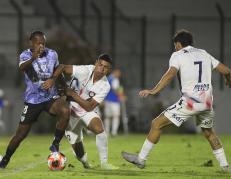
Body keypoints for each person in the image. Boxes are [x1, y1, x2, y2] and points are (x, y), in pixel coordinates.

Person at [122, 29, 231, 172]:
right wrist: (228, 81)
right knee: (209, 133)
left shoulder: (177, 55)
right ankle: (225, 166)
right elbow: (227, 71)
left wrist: (154, 90)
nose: (175, 47)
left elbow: (170, 74)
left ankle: (141, 160)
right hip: (206, 103)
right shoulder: (204, 53)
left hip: (190, 102)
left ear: (178, 44)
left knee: (156, 124)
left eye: (175, 45)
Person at [0, 31, 70, 168]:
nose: (41, 46)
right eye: (38, 43)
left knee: (65, 111)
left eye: (43, 43)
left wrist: (58, 82)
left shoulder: (52, 54)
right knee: (20, 135)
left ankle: (55, 143)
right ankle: (5, 159)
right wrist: (33, 57)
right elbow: (22, 67)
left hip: (50, 97)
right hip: (33, 100)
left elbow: (57, 70)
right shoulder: (25, 55)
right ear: (31, 43)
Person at [56, 54, 118, 169]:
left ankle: (104, 163)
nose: (102, 68)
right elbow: (62, 67)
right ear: (95, 63)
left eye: (105, 67)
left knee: (99, 129)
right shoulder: (85, 70)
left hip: (86, 111)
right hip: (70, 113)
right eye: (100, 64)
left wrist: (72, 94)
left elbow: (89, 107)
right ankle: (85, 163)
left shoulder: (105, 86)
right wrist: (56, 80)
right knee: (80, 155)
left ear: (108, 70)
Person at [104, 68, 126, 136]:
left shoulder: (107, 78)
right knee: (116, 116)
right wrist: (121, 96)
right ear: (116, 72)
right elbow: (116, 89)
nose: (119, 75)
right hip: (114, 101)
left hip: (107, 100)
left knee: (107, 117)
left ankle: (107, 132)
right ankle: (114, 132)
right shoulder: (115, 79)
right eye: (118, 73)